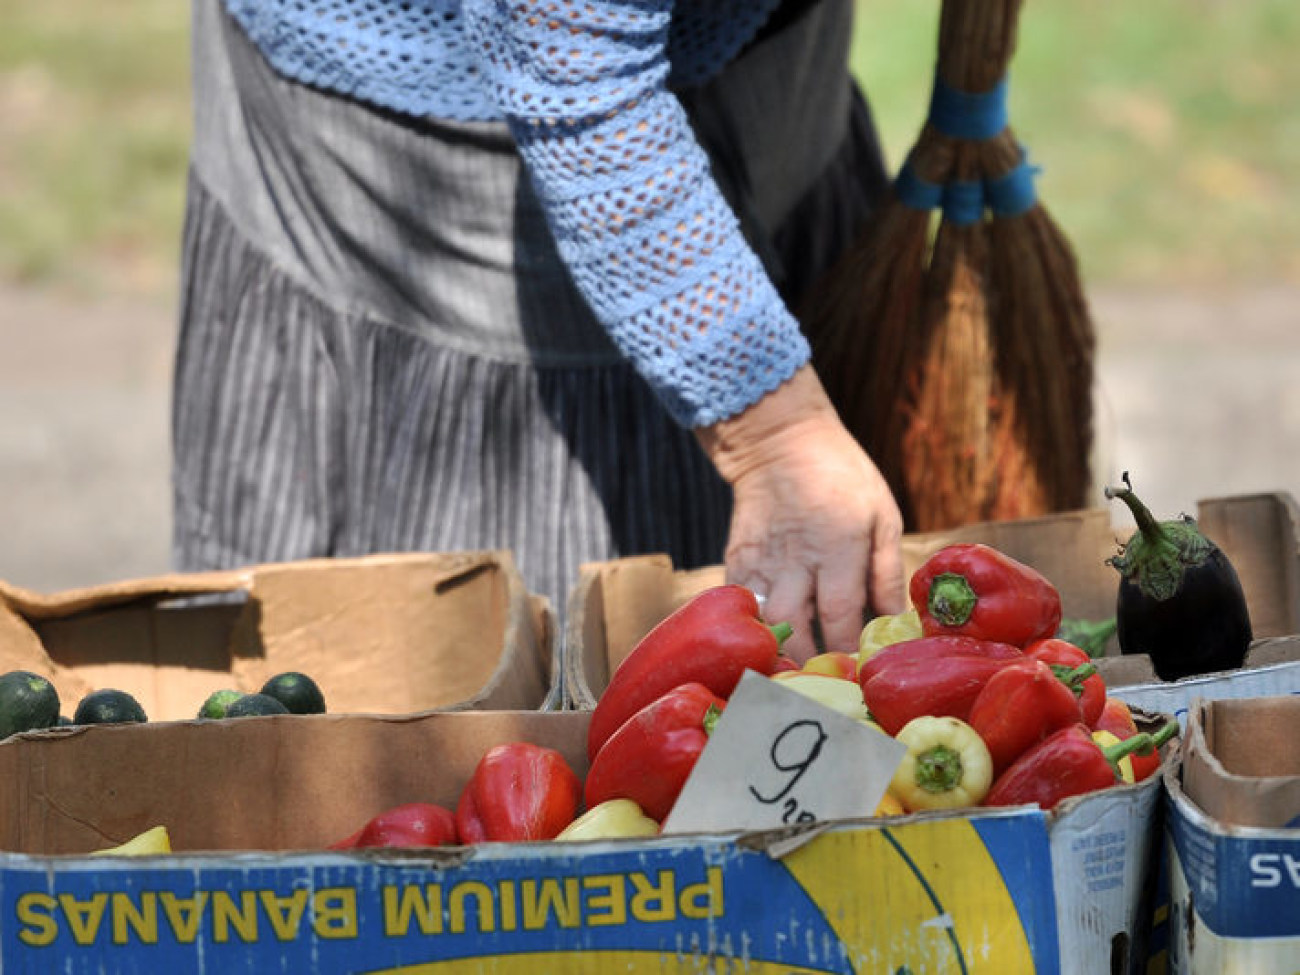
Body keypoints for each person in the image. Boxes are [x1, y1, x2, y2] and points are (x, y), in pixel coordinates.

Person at [173, 0, 906, 663]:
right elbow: (575, 71)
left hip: (773, 79)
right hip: (444, 141)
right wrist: (777, 441)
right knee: (512, 709)